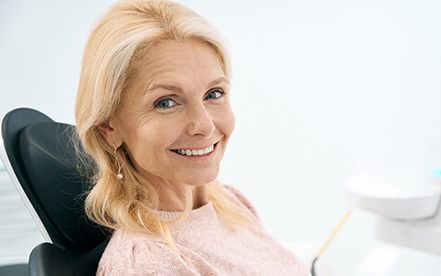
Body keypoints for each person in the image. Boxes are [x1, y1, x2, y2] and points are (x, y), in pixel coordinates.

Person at [75, 0, 310, 275]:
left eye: (214, 94)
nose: (204, 125)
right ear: (108, 127)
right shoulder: (150, 264)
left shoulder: (230, 203)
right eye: (166, 102)